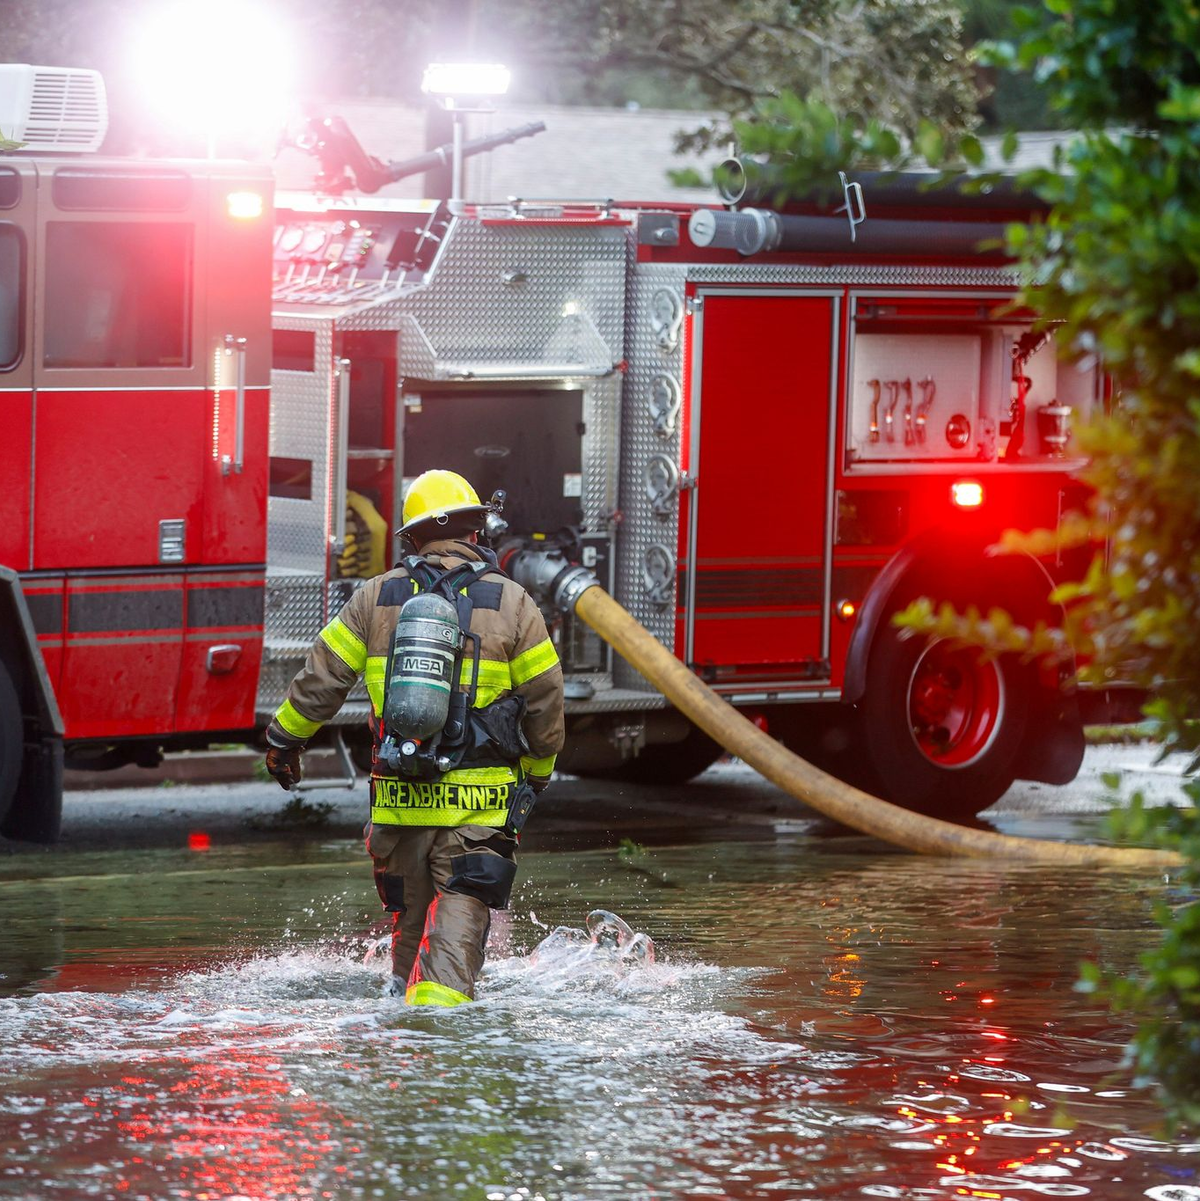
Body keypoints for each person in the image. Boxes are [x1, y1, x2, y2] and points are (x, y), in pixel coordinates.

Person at [263, 469, 565, 1006]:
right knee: (457, 923)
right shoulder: (513, 602)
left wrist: (284, 741)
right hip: (477, 807)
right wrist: (538, 775)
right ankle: (437, 1038)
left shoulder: (374, 596)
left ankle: (397, 1029)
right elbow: (545, 701)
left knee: (409, 930)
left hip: (399, 803)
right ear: (475, 530)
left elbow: (323, 678)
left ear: (413, 536)